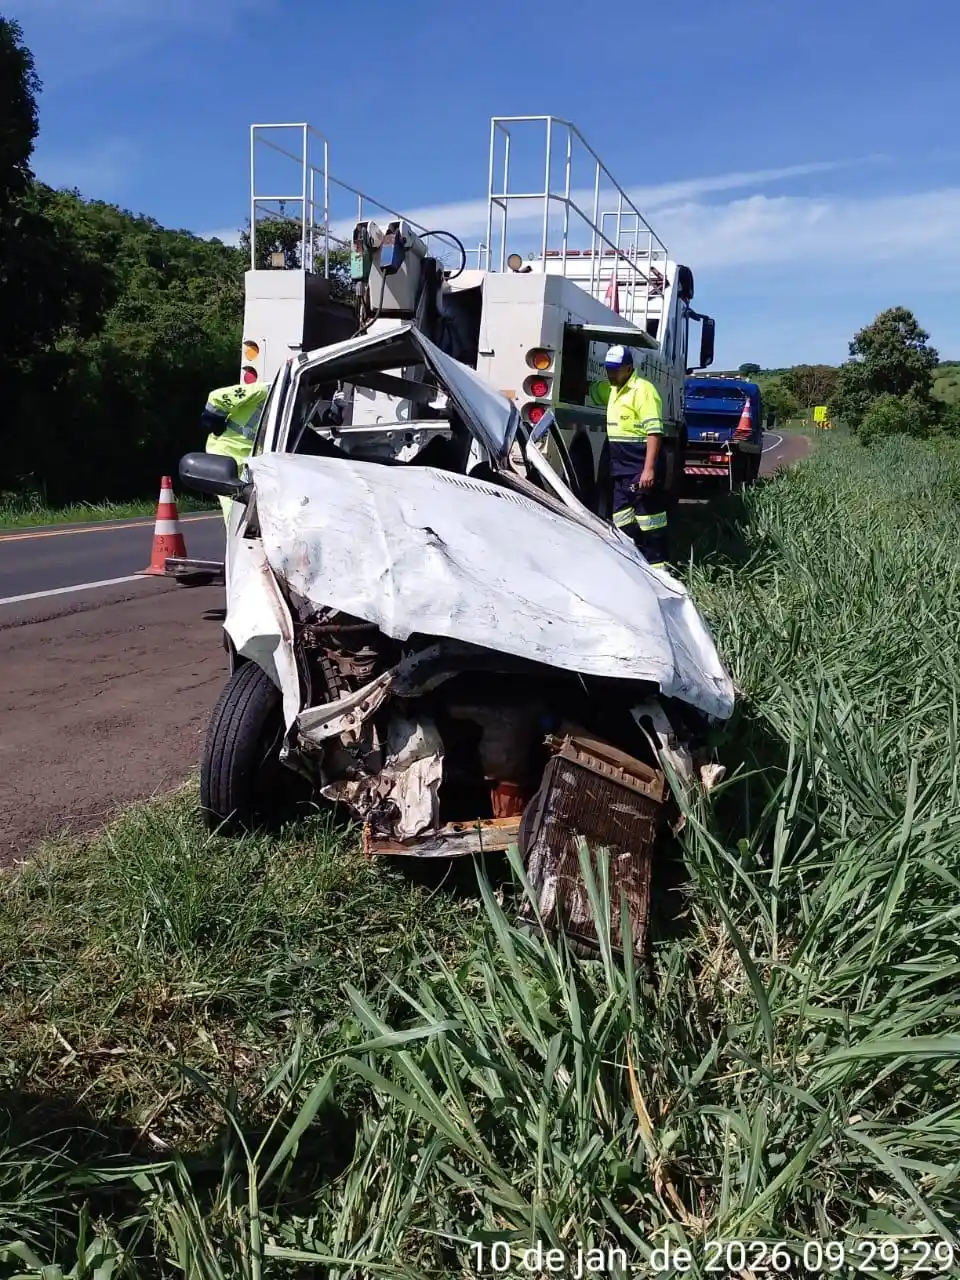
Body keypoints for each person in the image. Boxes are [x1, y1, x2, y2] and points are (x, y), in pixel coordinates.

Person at [602, 344, 668, 570]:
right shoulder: (613, 389)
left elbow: (654, 432)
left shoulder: (643, 390)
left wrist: (648, 469)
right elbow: (591, 389)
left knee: (650, 521)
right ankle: (635, 563)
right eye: (608, 369)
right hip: (621, 468)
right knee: (621, 518)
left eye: (615, 370)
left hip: (639, 466)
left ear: (629, 368)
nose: (611, 374)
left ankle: (658, 571)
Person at [202, 382, 269, 521]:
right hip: (226, 453)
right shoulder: (262, 391)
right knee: (235, 513)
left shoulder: (296, 402)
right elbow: (216, 397)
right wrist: (214, 422)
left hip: (251, 458)